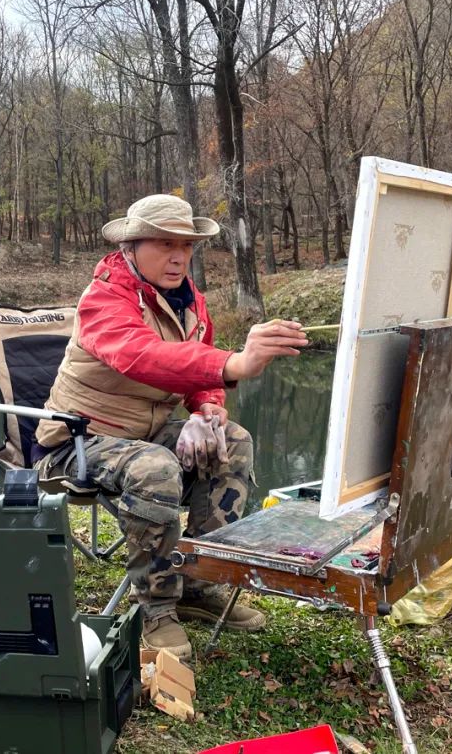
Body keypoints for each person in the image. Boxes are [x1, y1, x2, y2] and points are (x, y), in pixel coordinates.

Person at [34, 193, 308, 660]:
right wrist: (235, 364)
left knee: (234, 442)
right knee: (156, 467)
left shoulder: (188, 301)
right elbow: (140, 355)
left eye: (187, 245)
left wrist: (207, 408)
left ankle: (199, 584)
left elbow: (195, 373)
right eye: (164, 244)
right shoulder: (105, 297)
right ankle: (157, 607)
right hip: (78, 441)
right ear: (131, 247)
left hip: (145, 435)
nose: (179, 256)